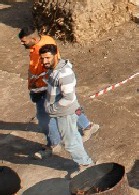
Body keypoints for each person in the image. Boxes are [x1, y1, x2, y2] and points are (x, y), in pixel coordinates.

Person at [20, 27, 93, 156]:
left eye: (24, 41)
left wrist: (34, 88)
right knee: (69, 106)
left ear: (32, 39)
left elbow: (40, 72)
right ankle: (87, 126)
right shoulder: (46, 40)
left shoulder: (40, 52)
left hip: (44, 88)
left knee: (45, 118)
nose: (22, 43)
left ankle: (53, 145)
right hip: (50, 85)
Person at [37, 44, 94, 172]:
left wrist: (52, 108)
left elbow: (68, 98)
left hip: (64, 113)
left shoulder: (64, 74)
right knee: (74, 137)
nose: (44, 61)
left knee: (70, 143)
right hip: (62, 112)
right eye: (42, 58)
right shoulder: (55, 69)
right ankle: (84, 161)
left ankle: (85, 165)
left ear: (56, 55)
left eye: (47, 58)